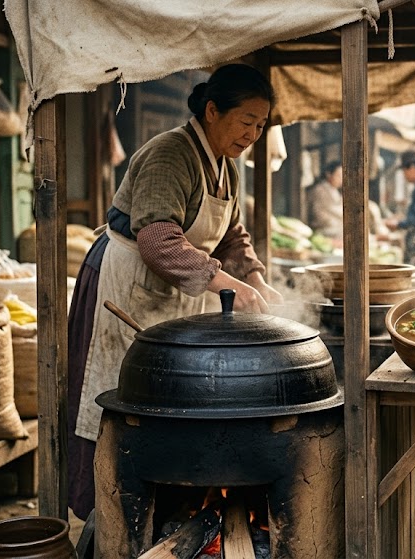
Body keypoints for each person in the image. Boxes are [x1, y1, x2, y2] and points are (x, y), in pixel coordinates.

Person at [66, 64, 284, 521]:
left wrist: (255, 276)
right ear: (211, 111)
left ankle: (166, 501)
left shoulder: (226, 166)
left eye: (261, 126)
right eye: (246, 121)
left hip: (173, 291)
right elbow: (157, 240)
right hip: (124, 285)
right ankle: (106, 512)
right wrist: (225, 283)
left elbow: (230, 235)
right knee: (114, 395)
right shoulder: (171, 153)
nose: (253, 134)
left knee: (160, 396)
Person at [305, 160, 344, 242]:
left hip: (336, 227)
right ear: (328, 174)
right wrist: (337, 222)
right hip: (323, 229)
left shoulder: (336, 191)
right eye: (338, 176)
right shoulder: (319, 190)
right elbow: (318, 214)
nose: (341, 179)